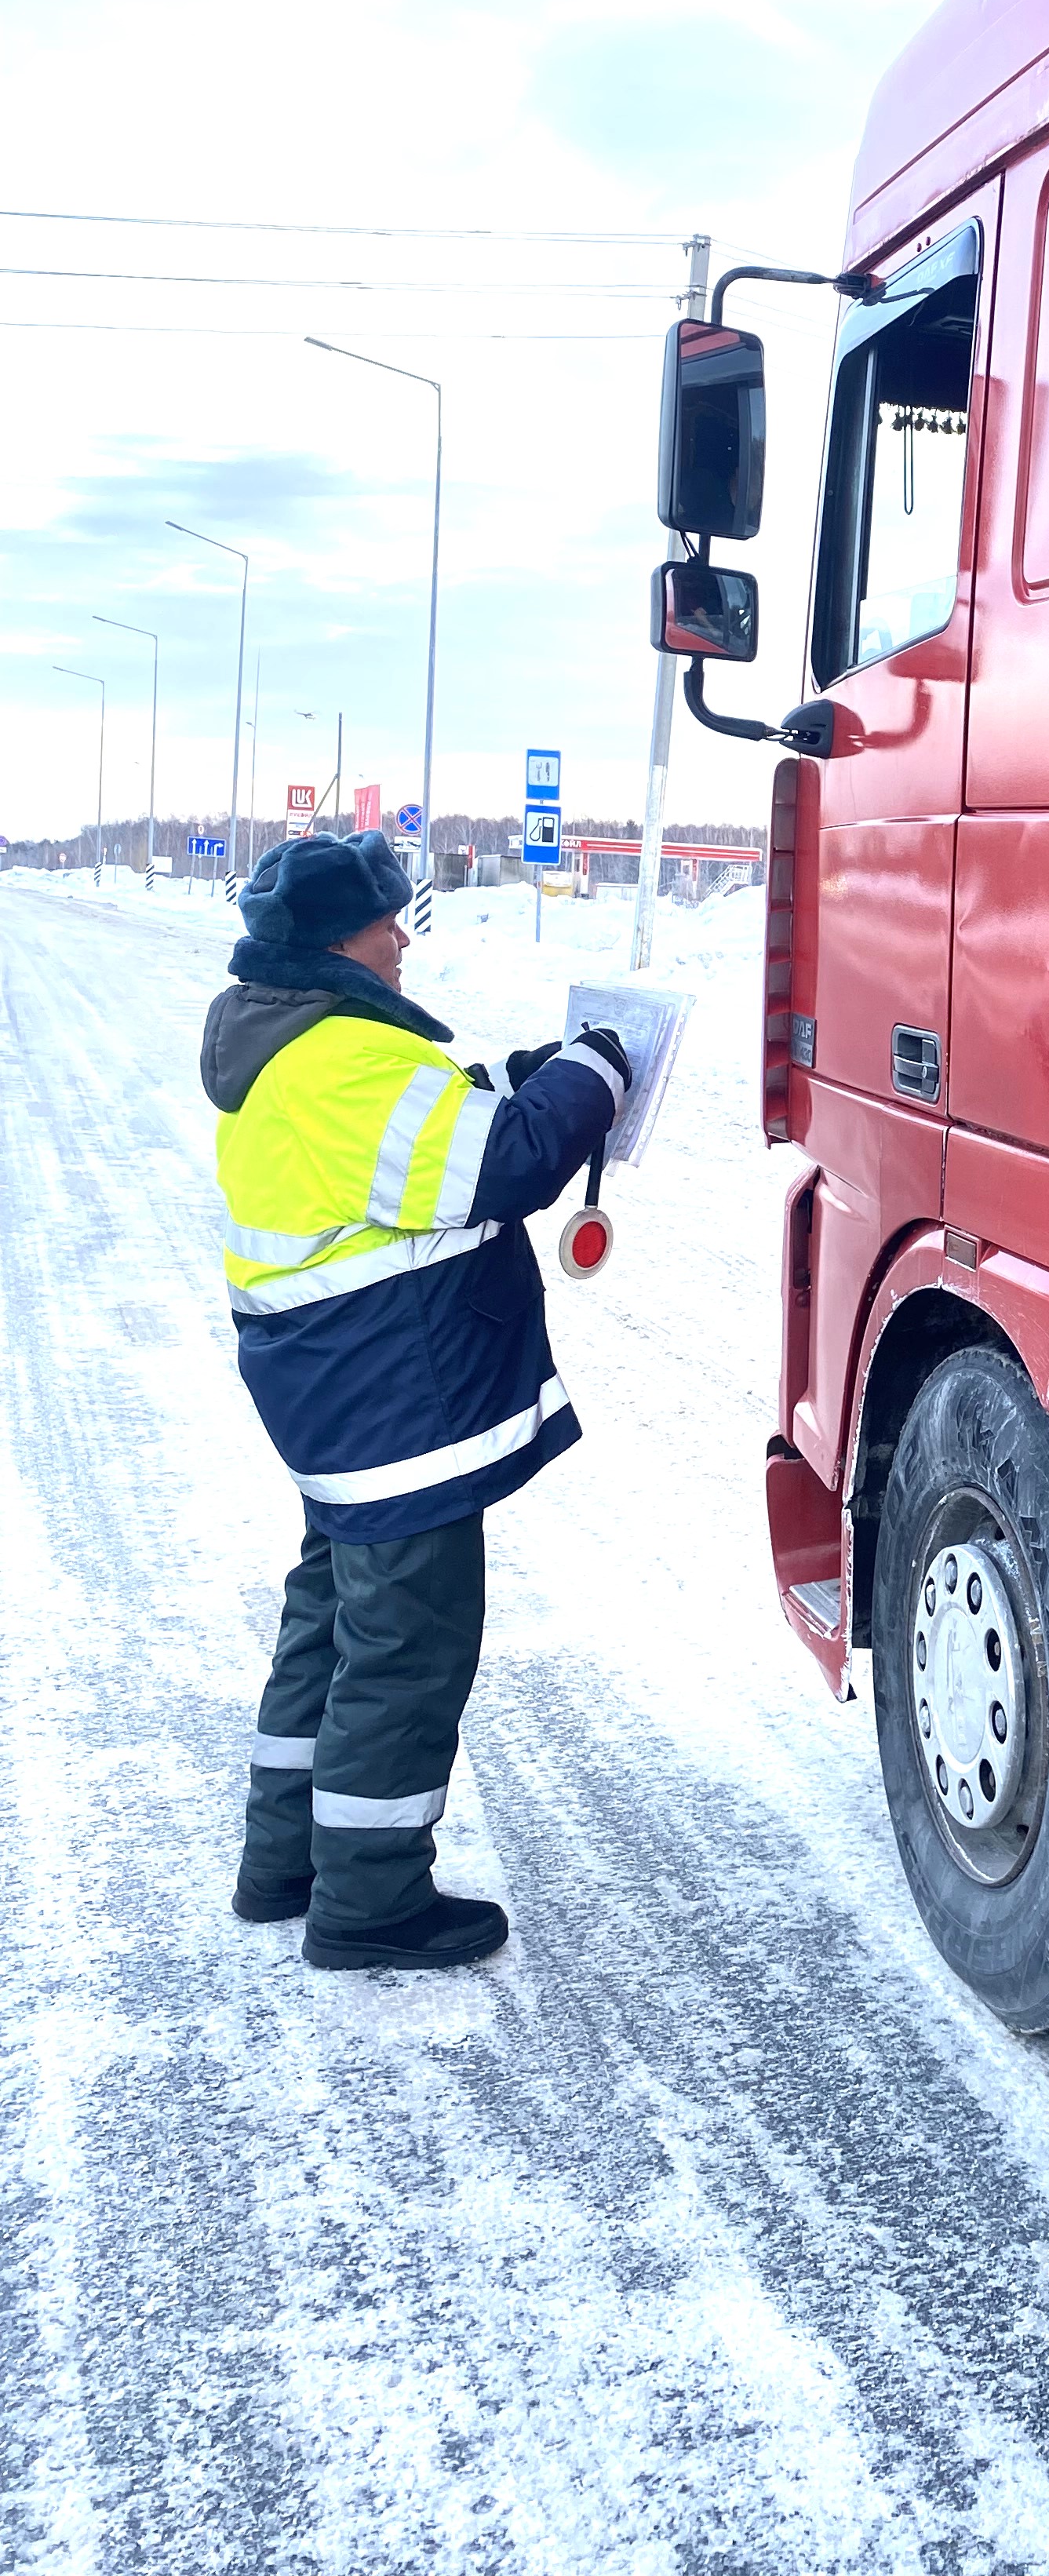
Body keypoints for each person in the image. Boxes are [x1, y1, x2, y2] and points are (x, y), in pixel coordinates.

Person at [201, 828, 631, 1972]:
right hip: (387, 1403)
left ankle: (281, 1862)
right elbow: (498, 1169)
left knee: (331, 1623)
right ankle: (372, 1904)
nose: (402, 938)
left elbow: (432, 1126)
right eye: (386, 920)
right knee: (406, 1646)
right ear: (338, 939)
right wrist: (598, 1071)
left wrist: (527, 1076)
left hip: (333, 1399)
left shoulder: (296, 1044)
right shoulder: (338, 1059)